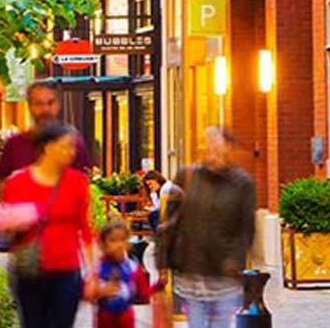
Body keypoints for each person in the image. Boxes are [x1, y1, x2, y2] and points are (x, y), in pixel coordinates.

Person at [0, 123, 94, 328]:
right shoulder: (18, 182)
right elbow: (4, 227)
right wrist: (16, 221)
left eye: (73, 147)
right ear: (48, 148)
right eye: (66, 146)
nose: (72, 152)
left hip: (67, 269)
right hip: (30, 270)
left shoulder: (77, 182)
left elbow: (84, 227)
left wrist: (92, 272)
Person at [159, 127, 257, 328]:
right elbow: (170, 221)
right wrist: (163, 261)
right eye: (206, 143)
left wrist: (235, 258)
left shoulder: (242, 183)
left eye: (215, 143)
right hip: (191, 270)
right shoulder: (187, 176)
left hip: (224, 273)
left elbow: (246, 228)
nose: (209, 148)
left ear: (229, 148)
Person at [0, 82, 92, 186]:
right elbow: (2, 185)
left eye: (50, 103)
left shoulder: (73, 143)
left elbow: (84, 182)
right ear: (30, 106)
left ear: (59, 104)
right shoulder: (14, 145)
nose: (45, 109)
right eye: (38, 103)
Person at [87, 222, 151, 328]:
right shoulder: (98, 267)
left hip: (126, 316)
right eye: (113, 240)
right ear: (103, 244)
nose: (119, 245)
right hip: (104, 316)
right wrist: (99, 292)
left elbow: (144, 294)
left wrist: (157, 289)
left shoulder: (132, 266)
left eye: (123, 240)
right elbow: (86, 292)